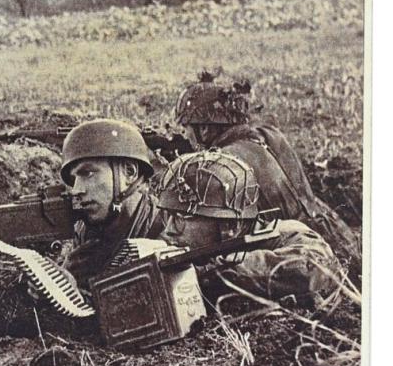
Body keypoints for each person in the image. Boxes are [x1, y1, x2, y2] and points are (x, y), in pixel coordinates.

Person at [174, 70, 360, 273]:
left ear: (204, 130)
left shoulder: (226, 163)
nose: (185, 135)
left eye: (186, 128)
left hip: (296, 254)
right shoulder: (268, 135)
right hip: (334, 233)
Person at [157, 150, 342, 306]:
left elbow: (312, 267)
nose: (169, 229)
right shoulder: (192, 246)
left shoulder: (288, 234)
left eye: (181, 218)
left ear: (230, 225)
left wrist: (211, 274)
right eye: (167, 216)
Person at [59, 119, 164, 285]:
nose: (76, 189)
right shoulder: (86, 231)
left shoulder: (166, 229)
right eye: (74, 179)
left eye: (87, 173)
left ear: (129, 172)